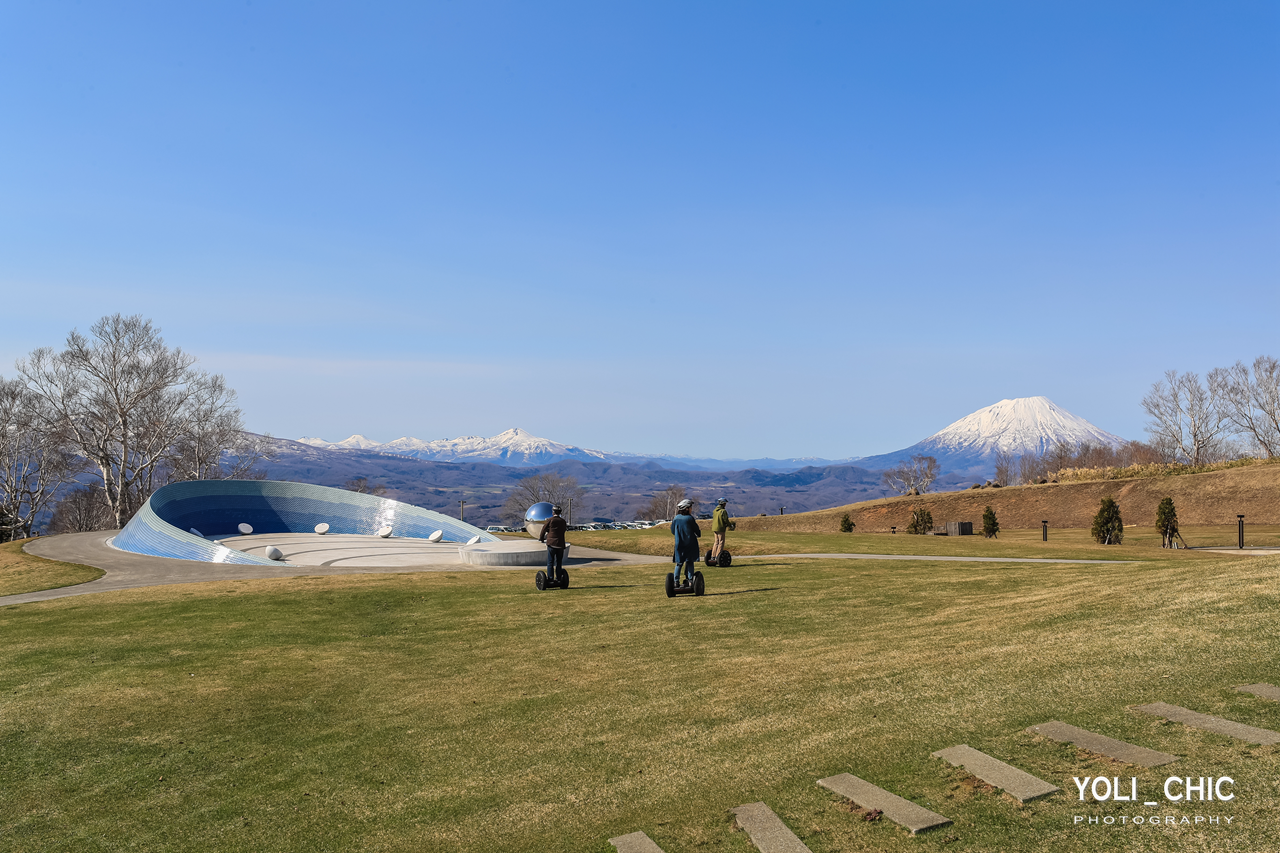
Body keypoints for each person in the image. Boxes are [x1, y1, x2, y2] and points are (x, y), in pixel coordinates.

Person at [670, 498, 701, 585]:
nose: (691, 509)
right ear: (686, 508)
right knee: (690, 562)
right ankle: (690, 580)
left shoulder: (676, 519)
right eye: (690, 508)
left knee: (679, 563)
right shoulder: (689, 518)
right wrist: (698, 534)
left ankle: (676, 581)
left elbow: (673, 531)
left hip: (679, 544)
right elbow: (696, 530)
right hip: (690, 544)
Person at [539, 504, 568, 578]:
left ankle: (550, 578)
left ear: (553, 512)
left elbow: (543, 530)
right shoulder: (563, 521)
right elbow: (563, 530)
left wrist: (541, 538)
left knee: (550, 562)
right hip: (560, 544)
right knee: (559, 562)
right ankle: (558, 578)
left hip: (551, 543)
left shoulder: (550, 520)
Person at [711, 498, 730, 562]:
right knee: (721, 542)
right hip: (721, 528)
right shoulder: (723, 511)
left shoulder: (715, 511)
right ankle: (718, 556)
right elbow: (725, 520)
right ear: (723, 504)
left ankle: (713, 556)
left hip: (714, 528)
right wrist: (730, 525)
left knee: (716, 542)